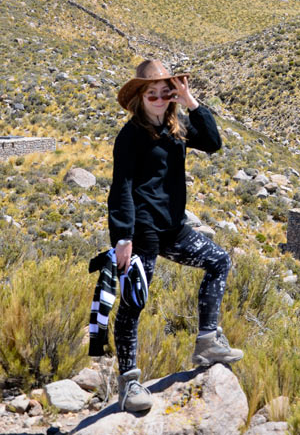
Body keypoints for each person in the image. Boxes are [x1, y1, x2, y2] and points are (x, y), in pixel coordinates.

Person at [108, 59, 243, 413]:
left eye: (164, 91)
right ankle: (129, 383)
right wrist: (122, 237)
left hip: (173, 227)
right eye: (151, 92)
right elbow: (120, 187)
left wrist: (190, 101)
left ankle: (207, 341)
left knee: (218, 261)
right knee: (134, 302)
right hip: (143, 231)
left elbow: (213, 143)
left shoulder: (176, 126)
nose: (157, 97)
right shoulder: (130, 135)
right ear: (139, 97)